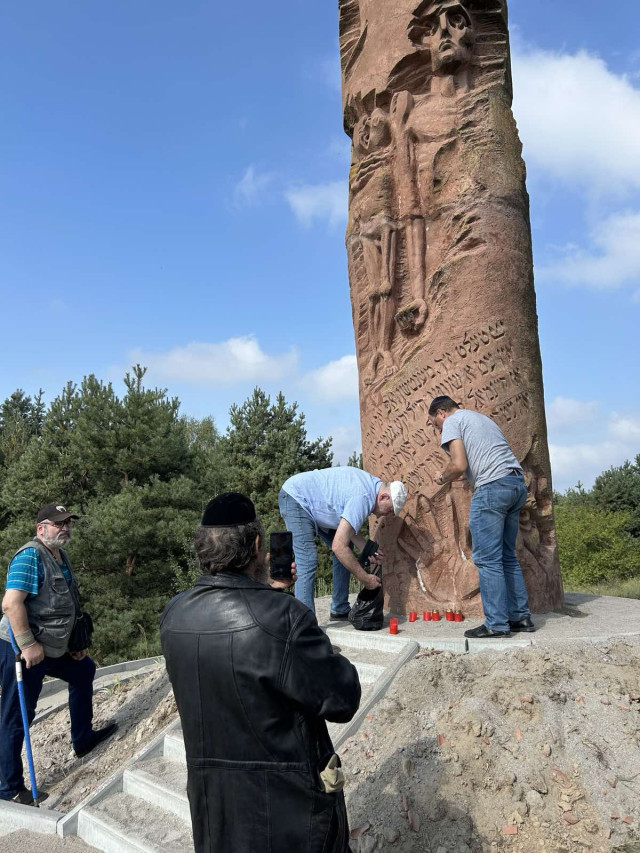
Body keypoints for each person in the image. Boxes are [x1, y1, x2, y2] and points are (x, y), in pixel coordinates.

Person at [160, 493, 361, 853]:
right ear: (256, 546)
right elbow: (342, 699)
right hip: (289, 814)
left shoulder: (174, 615)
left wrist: (272, 595)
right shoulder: (284, 617)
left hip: (216, 812)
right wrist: (284, 607)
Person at [0, 504, 117, 804]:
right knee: (17, 714)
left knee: (84, 670)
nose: (65, 528)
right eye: (58, 524)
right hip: (21, 648)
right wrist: (28, 645)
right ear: (41, 529)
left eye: (67, 523)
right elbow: (11, 604)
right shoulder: (30, 557)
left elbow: (64, 605)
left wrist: (74, 644)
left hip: (51, 646)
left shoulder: (59, 555)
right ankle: (9, 789)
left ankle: (83, 739)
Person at [428, 396, 535, 638]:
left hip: (492, 488)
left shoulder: (453, 421)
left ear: (442, 412)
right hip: (515, 484)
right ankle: (521, 617)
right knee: (507, 556)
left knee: (487, 559)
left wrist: (442, 477)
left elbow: (458, 464)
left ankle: (496, 624)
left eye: (436, 424)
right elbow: (474, 463)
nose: (439, 430)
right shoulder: (481, 420)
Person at [278, 468, 408, 617]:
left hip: (317, 505)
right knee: (307, 560)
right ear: (384, 497)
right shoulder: (364, 498)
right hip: (296, 498)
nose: (387, 515)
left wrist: (368, 549)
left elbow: (349, 531)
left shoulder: (374, 487)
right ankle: (304, 623)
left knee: (347, 548)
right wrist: (365, 579)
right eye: (390, 510)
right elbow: (338, 546)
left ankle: (339, 608)